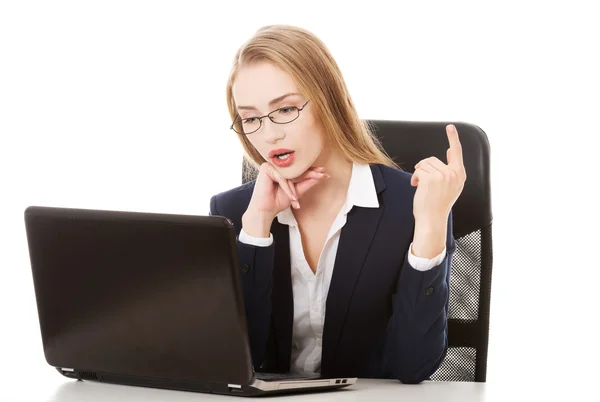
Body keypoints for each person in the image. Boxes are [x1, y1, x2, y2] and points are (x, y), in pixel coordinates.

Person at [209, 24, 466, 384]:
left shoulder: (414, 205)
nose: (269, 134)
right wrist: (256, 230)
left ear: (328, 100)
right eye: (250, 118)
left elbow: (413, 366)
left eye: (285, 110)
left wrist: (430, 226)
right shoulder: (234, 213)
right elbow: (237, 363)